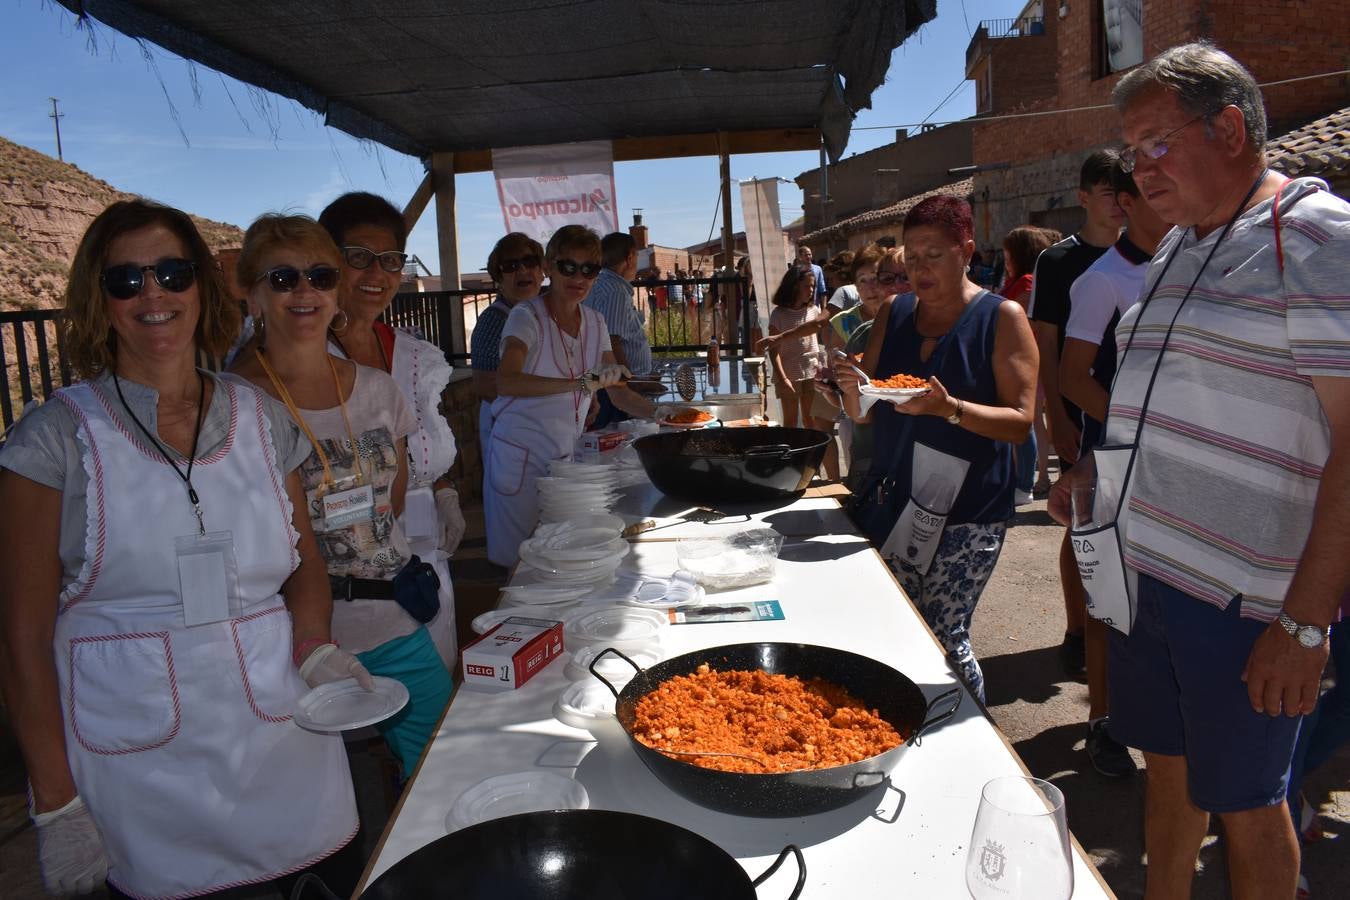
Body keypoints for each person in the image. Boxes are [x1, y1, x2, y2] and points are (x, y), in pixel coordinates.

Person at [1050, 42, 1350, 899]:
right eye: (1130, 148)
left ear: (1227, 128)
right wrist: (1094, 481)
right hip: (1149, 577)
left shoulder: (1317, 242)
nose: (1137, 169)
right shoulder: (1180, 247)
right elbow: (1164, 408)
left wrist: (1302, 624)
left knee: (1254, 808)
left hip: (1244, 601)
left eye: (1155, 142)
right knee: (1167, 775)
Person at [0, 199, 364, 898]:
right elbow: (21, 641)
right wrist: (54, 798)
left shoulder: (261, 419)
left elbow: (305, 566)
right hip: (142, 774)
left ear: (201, 283)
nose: (153, 294)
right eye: (126, 280)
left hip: (279, 745)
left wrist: (314, 646)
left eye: (172, 272)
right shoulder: (52, 441)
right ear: (98, 300)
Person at [228, 214, 453, 778]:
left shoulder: (379, 391)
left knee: (439, 769)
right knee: (318, 794)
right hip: (294, 645)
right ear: (251, 292)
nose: (305, 291)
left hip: (396, 623)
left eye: (321, 276)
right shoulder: (233, 406)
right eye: (283, 278)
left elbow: (394, 500)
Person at [837, 196, 1038, 703]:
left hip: (969, 512)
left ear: (966, 251)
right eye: (912, 255)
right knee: (895, 626)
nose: (920, 268)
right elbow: (867, 407)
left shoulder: (1002, 317)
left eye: (935, 254)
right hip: (895, 498)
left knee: (946, 637)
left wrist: (949, 409)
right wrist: (846, 388)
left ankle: (973, 739)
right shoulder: (895, 313)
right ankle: (903, 724)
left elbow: (1020, 422)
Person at [1058, 157, 1171, 779]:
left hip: (1177, 468)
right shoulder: (1102, 280)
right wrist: (1140, 427)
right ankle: (1102, 721)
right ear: (1128, 204)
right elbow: (1073, 375)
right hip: (1114, 462)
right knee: (1109, 599)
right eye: (1153, 192)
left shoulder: (1189, 262)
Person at [319, 191, 464, 671]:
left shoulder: (413, 355)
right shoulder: (299, 358)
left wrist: (443, 493)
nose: (376, 274)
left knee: (431, 702)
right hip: (344, 577)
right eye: (358, 257)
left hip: (423, 565)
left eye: (391, 260)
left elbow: (421, 450)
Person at [485, 225, 655, 567]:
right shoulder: (526, 316)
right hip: (521, 459)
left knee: (559, 557)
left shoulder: (595, 321)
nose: (578, 277)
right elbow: (507, 381)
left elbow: (615, 390)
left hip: (565, 460)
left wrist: (664, 416)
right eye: (568, 267)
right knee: (521, 564)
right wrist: (579, 386)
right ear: (549, 267)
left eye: (588, 269)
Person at [1027, 150, 1124, 679]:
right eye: (1109, 194)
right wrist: (1056, 417)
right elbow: (1045, 342)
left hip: (1133, 411)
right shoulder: (1059, 261)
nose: (1119, 205)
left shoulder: (1155, 253)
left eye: (1124, 194)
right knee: (1080, 525)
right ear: (1085, 197)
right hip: (1080, 413)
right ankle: (1075, 629)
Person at [818, 244, 902, 485]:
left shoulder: (912, 321)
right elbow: (842, 383)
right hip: (861, 419)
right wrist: (833, 388)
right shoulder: (850, 327)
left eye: (875, 278)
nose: (869, 287)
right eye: (861, 281)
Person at [1000, 226, 1061, 505]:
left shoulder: (1025, 282)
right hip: (1021, 358)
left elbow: (1025, 320)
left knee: (1030, 419)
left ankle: (1036, 480)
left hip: (1028, 359)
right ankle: (1031, 478)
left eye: (1008, 254)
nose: (1005, 260)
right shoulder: (1019, 280)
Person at [472, 232, 546, 450]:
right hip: (510, 430)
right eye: (510, 266)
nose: (522, 270)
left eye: (529, 262)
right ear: (499, 280)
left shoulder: (546, 315)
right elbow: (485, 386)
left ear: (542, 272)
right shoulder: (493, 321)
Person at [767, 266, 841, 480]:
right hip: (789, 375)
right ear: (793, 286)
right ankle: (791, 466)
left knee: (812, 423)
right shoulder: (778, 314)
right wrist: (782, 378)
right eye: (806, 286)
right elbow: (774, 351)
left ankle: (812, 468)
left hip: (813, 374)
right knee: (790, 423)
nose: (811, 290)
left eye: (813, 286)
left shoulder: (815, 310)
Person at [584, 231, 653, 429]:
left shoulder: (604, 284)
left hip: (609, 385)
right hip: (615, 390)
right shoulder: (614, 290)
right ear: (630, 257)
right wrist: (628, 385)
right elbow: (612, 341)